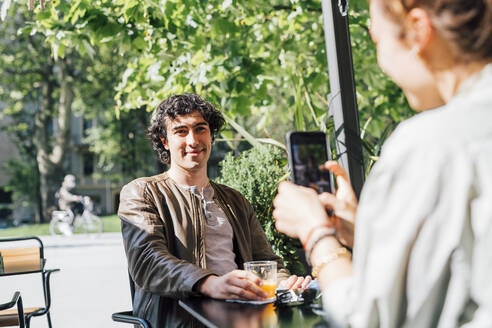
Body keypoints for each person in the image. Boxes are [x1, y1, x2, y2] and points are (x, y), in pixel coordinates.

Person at [273, 0, 492, 326]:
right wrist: (372, 232)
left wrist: (316, 233)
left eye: (378, 41)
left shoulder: (432, 145)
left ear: (418, 29)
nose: (381, 61)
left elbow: (368, 319)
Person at [118, 93, 310, 325]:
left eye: (201, 129)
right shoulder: (142, 192)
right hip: (180, 320)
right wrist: (209, 283)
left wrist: (283, 282)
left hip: (242, 316)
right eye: (181, 131)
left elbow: (266, 261)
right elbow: (148, 262)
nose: (193, 140)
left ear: (211, 136)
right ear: (164, 141)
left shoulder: (234, 200)